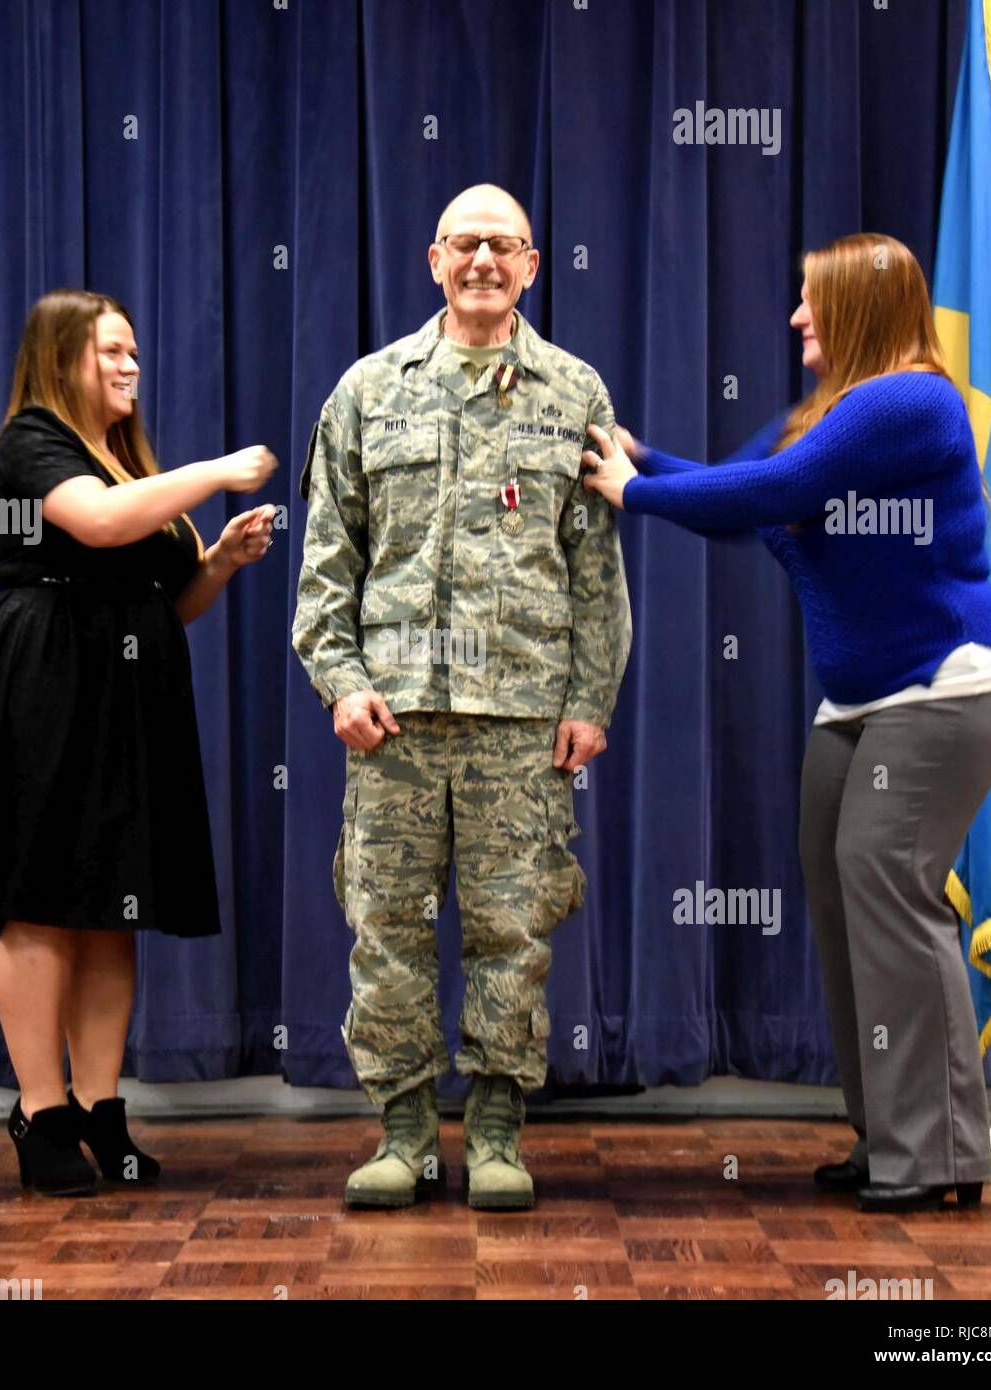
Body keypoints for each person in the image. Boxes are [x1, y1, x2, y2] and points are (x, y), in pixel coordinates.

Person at [582, 232, 991, 1214]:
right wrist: (642, 459)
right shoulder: (820, 411)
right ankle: (891, 1137)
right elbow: (732, 500)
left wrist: (635, 492)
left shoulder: (908, 400)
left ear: (860, 311)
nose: (793, 316)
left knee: (887, 887)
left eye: (810, 300)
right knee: (841, 894)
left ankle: (935, 1154)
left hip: (948, 683)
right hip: (862, 695)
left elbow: (775, 494)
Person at [293, 184, 632, 1210]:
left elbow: (593, 569)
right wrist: (339, 683)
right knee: (386, 926)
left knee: (512, 930)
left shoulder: (574, 393)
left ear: (532, 265)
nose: (483, 260)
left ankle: (493, 1130)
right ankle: (402, 1131)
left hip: (523, 722)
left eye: (504, 245)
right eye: (465, 244)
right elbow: (326, 561)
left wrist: (590, 698)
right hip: (391, 719)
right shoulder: (365, 390)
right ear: (431, 258)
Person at [0, 289, 278, 1195]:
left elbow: (169, 603)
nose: (133, 366)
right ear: (63, 359)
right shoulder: (31, 443)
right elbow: (93, 523)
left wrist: (216, 564)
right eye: (114, 352)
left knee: (111, 906)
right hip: (44, 684)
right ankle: (40, 1110)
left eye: (136, 351)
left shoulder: (123, 457)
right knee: (43, 896)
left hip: (128, 691)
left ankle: (102, 1110)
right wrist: (216, 472)